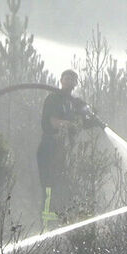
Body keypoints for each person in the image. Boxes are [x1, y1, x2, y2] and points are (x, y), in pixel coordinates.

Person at [37, 69, 100, 228]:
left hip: (65, 153)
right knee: (49, 189)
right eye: (67, 77)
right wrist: (71, 125)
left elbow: (84, 121)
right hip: (49, 149)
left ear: (76, 83)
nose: (70, 80)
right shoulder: (54, 99)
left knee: (65, 190)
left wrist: (95, 121)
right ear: (61, 80)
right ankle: (47, 225)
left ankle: (63, 223)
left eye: (73, 78)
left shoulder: (73, 103)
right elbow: (53, 121)